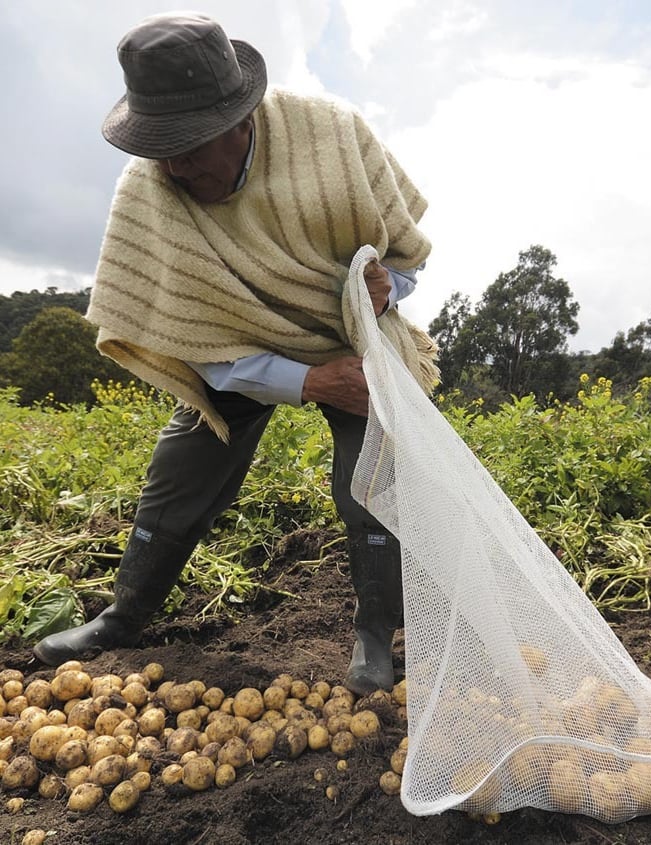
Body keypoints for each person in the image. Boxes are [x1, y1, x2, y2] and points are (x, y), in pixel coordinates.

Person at [32, 12, 437, 696]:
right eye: (159, 147)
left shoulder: (333, 137)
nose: (175, 166)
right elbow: (200, 345)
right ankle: (122, 616)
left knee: (370, 477)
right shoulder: (151, 190)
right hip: (234, 340)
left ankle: (375, 632)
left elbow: (405, 256)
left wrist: (386, 288)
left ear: (240, 120)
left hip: (348, 338)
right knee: (181, 468)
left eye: (188, 146)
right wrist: (308, 381)